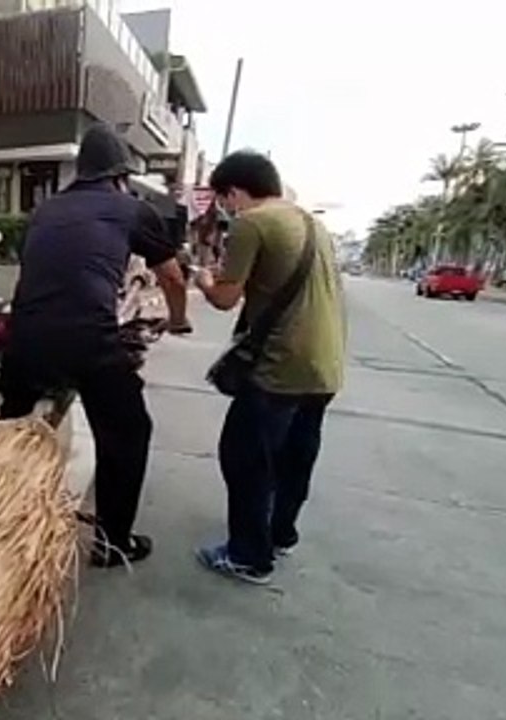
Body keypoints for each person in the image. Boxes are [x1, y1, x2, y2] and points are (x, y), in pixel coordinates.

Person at [0, 123, 191, 568]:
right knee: (128, 430)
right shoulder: (130, 209)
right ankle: (114, 542)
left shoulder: (45, 210)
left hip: (24, 335)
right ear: (120, 176)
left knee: (10, 428)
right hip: (88, 338)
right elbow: (173, 275)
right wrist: (179, 320)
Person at [192, 151, 347, 585]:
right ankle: (281, 533)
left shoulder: (252, 222)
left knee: (244, 456)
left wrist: (204, 279)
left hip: (281, 366)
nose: (226, 209)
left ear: (236, 192)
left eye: (224, 200)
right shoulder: (313, 223)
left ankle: (247, 555)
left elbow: (224, 297)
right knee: (297, 454)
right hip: (325, 366)